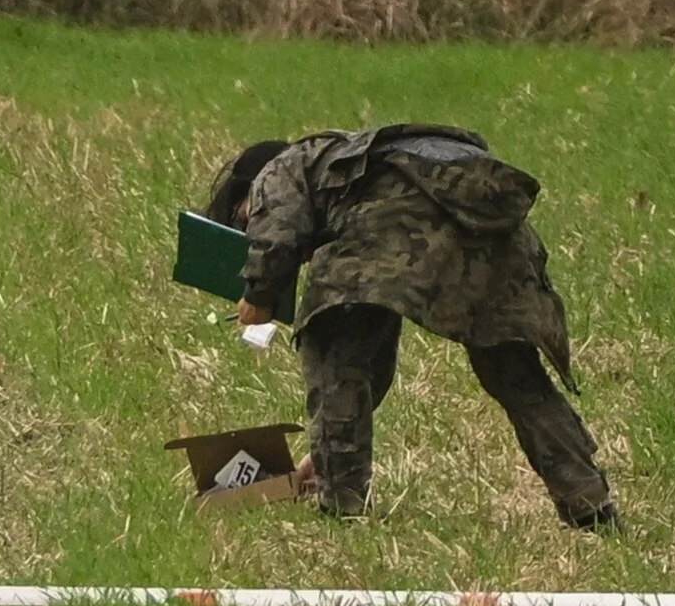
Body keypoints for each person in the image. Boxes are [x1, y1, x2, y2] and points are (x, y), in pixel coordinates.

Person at [205, 124, 621, 530]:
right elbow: (372, 369)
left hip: (400, 227)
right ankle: (589, 504)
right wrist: (324, 451)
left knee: (332, 350)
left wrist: (258, 296)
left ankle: (341, 507)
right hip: (495, 230)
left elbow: (276, 236)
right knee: (516, 375)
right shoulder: (367, 178)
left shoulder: (279, 169)